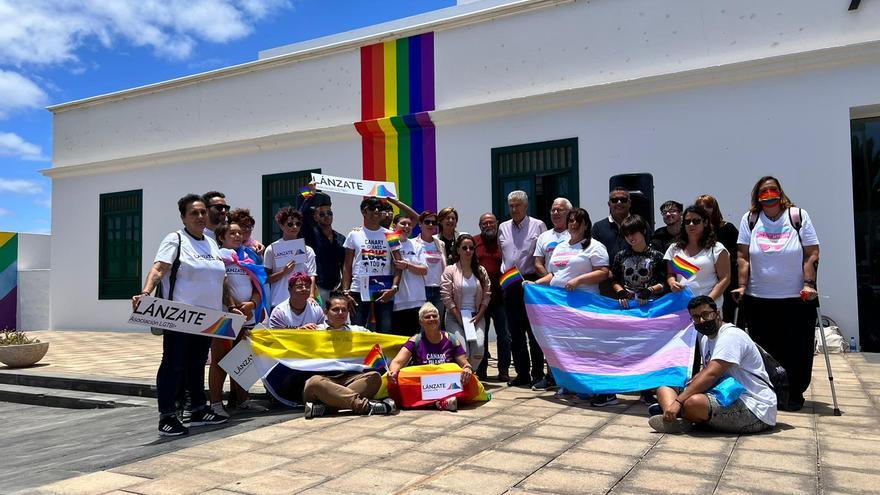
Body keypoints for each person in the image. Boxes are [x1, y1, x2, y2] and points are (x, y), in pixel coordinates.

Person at [132, 194, 232, 436]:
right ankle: (167, 416)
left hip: (207, 317)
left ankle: (197, 409)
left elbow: (221, 279)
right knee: (173, 365)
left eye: (202, 212)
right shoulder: (175, 239)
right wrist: (145, 292)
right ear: (183, 217)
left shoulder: (210, 242)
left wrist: (230, 304)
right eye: (193, 213)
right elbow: (159, 268)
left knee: (197, 364)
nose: (200, 216)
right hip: (179, 315)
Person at [732, 176, 819, 411]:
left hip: (795, 296)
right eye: (763, 191)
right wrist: (741, 284)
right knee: (764, 347)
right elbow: (742, 256)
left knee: (796, 347)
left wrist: (809, 283)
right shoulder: (750, 219)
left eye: (772, 190)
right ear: (757, 196)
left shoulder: (797, 217)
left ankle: (794, 393)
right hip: (759, 297)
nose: (768, 194)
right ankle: (769, 390)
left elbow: (811, 252)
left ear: (780, 193)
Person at [649, 296, 776, 434]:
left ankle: (678, 411)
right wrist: (688, 386)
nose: (701, 320)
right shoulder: (706, 339)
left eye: (706, 314)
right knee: (666, 384)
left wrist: (678, 401)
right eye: (696, 317)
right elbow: (706, 371)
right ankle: (673, 417)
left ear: (717, 313)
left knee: (693, 402)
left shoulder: (731, 336)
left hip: (754, 407)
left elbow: (712, 374)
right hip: (726, 392)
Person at [302, 293, 397, 419]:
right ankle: (367, 407)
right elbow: (289, 344)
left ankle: (327, 408)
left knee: (375, 378)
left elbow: (382, 342)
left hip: (352, 379)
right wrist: (299, 332)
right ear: (326, 312)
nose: (340, 313)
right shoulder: (313, 331)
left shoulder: (358, 331)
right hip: (324, 381)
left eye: (344, 310)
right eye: (335, 309)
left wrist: (407, 342)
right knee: (313, 383)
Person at [607, 214, 667, 408]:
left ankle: (647, 390)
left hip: (650, 309)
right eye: (626, 234)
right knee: (622, 350)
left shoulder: (657, 256)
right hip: (626, 310)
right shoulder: (620, 256)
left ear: (643, 231)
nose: (630, 237)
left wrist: (649, 290)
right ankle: (615, 389)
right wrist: (620, 291)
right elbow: (614, 279)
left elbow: (665, 281)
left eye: (634, 233)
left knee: (648, 350)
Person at [208, 222, 267, 418]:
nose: (236, 236)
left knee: (243, 359)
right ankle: (216, 403)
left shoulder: (249, 257)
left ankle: (243, 400)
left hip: (247, 317)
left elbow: (258, 285)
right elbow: (220, 284)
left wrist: (252, 304)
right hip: (225, 316)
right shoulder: (217, 256)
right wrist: (233, 307)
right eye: (231, 233)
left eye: (239, 233)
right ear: (222, 238)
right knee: (220, 360)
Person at [498, 190, 548, 387]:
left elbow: (543, 254)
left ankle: (537, 373)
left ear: (526, 206)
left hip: (530, 281)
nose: (514, 209)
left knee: (533, 331)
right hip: (509, 281)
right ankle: (522, 373)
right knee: (514, 332)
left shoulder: (538, 225)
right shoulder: (503, 227)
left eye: (518, 205)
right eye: (511, 205)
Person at [387, 303, 474, 411]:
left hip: (447, 384)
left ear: (439, 318)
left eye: (434, 316)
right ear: (421, 322)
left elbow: (464, 363)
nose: (432, 319)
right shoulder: (415, 340)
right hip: (423, 385)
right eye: (427, 317)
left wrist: (467, 368)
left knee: (465, 376)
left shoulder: (451, 339)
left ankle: (433, 402)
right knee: (401, 376)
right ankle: (440, 402)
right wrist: (393, 372)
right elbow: (397, 362)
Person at [342, 197, 400, 333]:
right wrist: (345, 291)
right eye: (373, 208)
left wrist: (394, 288)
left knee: (385, 330)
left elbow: (399, 263)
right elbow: (347, 265)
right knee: (357, 330)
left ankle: (383, 355)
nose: (377, 211)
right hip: (358, 287)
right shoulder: (354, 234)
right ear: (364, 211)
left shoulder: (391, 234)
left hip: (383, 288)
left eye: (380, 208)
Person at [441, 234, 492, 369]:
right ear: (458, 250)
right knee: (463, 350)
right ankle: (464, 378)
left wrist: (480, 315)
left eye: (471, 248)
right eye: (464, 248)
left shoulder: (481, 271)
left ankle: (470, 374)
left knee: (479, 349)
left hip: (476, 316)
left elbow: (487, 295)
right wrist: (458, 317)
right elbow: (446, 296)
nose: (468, 251)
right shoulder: (450, 270)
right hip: (454, 316)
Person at [665, 205, 730, 307]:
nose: (691, 224)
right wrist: (672, 283)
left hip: (708, 308)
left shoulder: (716, 248)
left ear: (705, 222)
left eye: (696, 221)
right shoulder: (674, 248)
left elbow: (725, 279)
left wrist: (707, 302)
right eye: (687, 221)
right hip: (681, 307)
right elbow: (670, 274)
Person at [532, 208, 610, 293]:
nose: (574, 223)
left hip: (584, 301)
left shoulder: (595, 246)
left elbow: (603, 273)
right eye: (571, 221)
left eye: (579, 221)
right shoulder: (559, 247)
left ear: (586, 226)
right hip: (559, 299)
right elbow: (555, 275)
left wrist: (578, 280)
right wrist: (535, 283)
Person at [474, 213, 511, 382]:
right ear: (480, 225)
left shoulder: (504, 242)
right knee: (482, 336)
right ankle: (481, 371)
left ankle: (503, 370)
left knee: (504, 336)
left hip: (502, 299)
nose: (488, 225)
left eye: (491, 222)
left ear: (497, 224)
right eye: (484, 223)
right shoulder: (474, 242)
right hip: (481, 300)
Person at [695, 194, 740, 323]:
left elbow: (738, 257)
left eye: (707, 207)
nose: (704, 210)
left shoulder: (727, 228)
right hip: (705, 282)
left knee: (726, 319)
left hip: (727, 283)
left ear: (714, 208)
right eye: (700, 207)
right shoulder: (696, 232)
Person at [264, 208, 317, 309]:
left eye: (298, 224)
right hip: (279, 302)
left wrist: (311, 295)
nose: (294, 227)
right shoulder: (271, 249)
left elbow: (311, 275)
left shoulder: (308, 250)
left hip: (303, 302)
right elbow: (266, 279)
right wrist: (283, 272)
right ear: (281, 225)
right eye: (290, 224)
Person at [391, 214, 428, 335]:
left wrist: (407, 265)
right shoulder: (388, 243)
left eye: (409, 224)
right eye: (403, 224)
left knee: (414, 339)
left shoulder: (416, 245)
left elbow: (424, 270)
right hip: (396, 301)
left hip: (416, 300)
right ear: (394, 226)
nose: (407, 226)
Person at [413, 210, 447, 326]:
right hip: (421, 289)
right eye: (427, 222)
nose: (431, 225)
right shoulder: (413, 243)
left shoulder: (440, 244)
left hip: (438, 289)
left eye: (434, 223)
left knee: (437, 323)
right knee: (422, 324)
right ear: (420, 224)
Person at [534, 198, 572, 278]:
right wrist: (551, 280)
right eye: (553, 210)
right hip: (550, 286)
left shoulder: (576, 234)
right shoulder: (543, 236)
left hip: (571, 284)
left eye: (559, 210)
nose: (555, 213)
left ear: (569, 212)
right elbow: (538, 264)